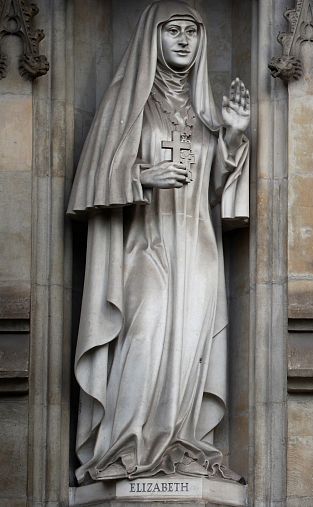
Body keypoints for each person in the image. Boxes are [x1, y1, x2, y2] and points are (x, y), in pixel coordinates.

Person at [68, 1, 250, 483]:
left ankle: (178, 443)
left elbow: (219, 194)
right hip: (144, 244)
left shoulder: (205, 112)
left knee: (190, 346)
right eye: (174, 31)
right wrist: (144, 176)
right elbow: (96, 180)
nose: (185, 40)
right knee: (145, 332)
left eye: (192, 32)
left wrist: (231, 138)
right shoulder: (127, 105)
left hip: (197, 245)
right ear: (154, 36)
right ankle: (125, 447)